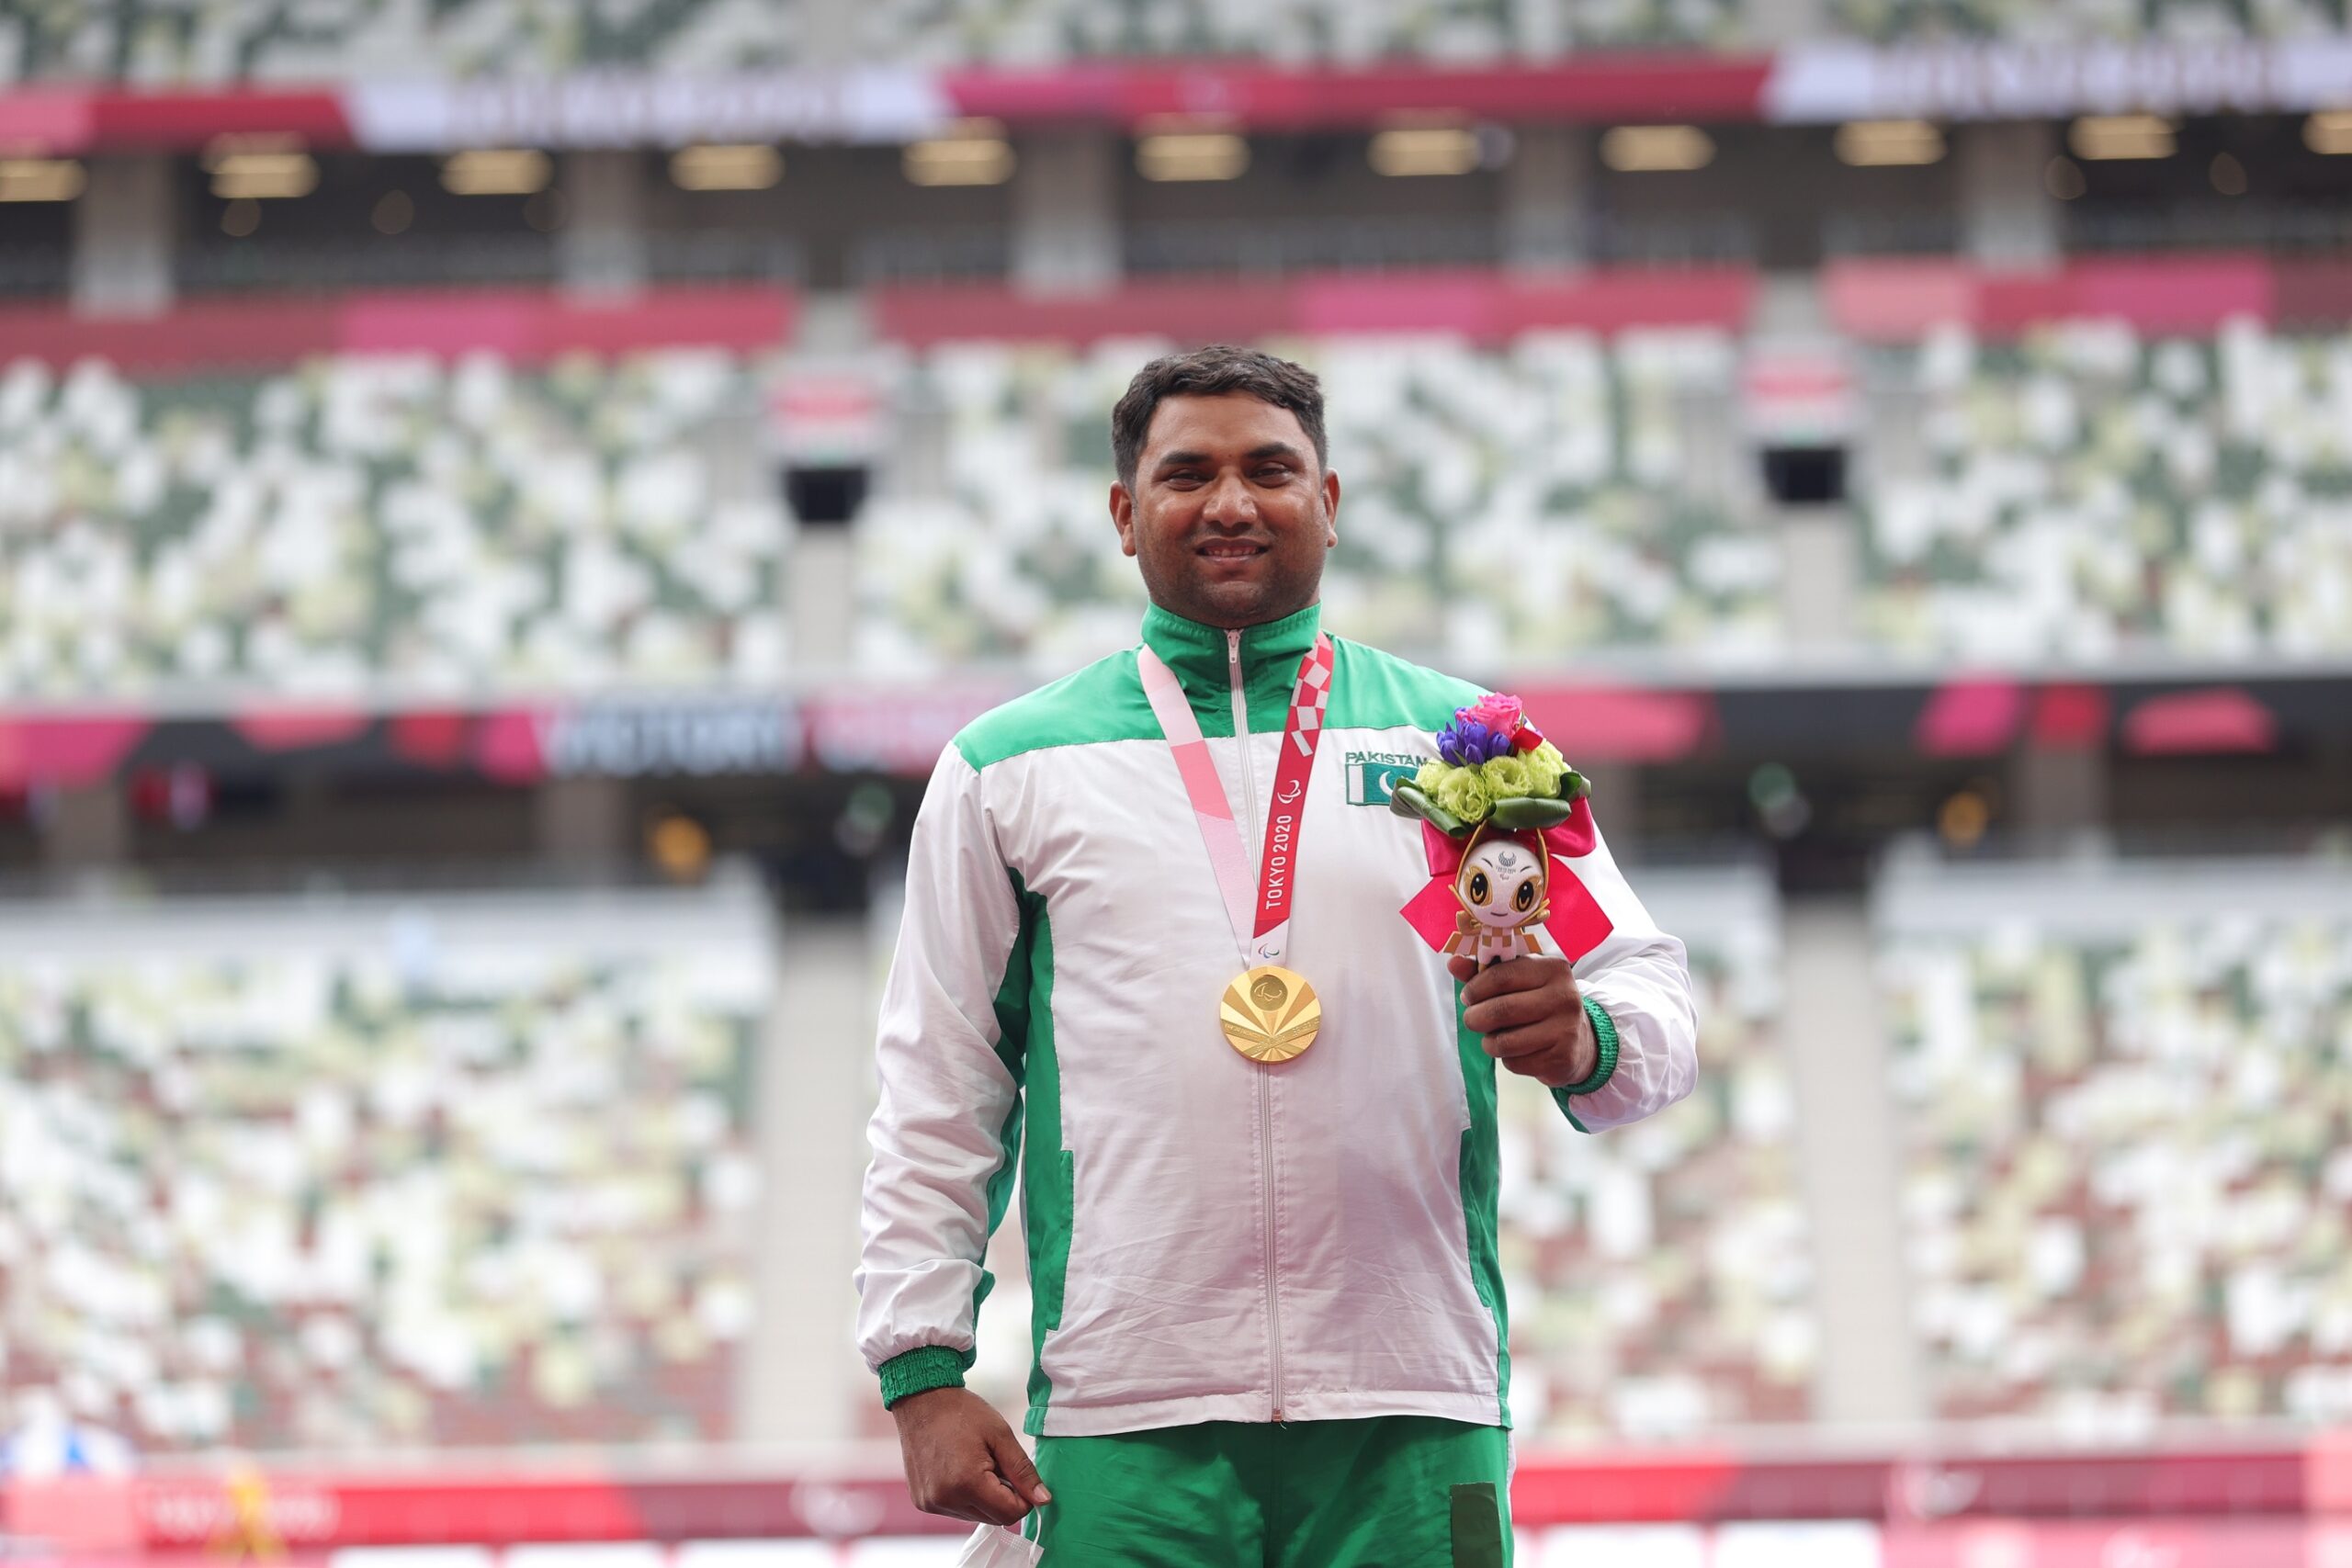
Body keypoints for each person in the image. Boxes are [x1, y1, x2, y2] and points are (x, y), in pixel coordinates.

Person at [856, 345, 1699, 1565]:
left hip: (1413, 1405)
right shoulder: (1008, 770)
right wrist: (921, 1369)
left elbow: (1648, 995)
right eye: (1187, 473)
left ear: (1332, 502)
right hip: (1122, 1414)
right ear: (1123, 515)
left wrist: (1585, 1036)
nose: (1232, 502)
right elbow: (938, 1083)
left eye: (1271, 469)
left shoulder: (1465, 744)